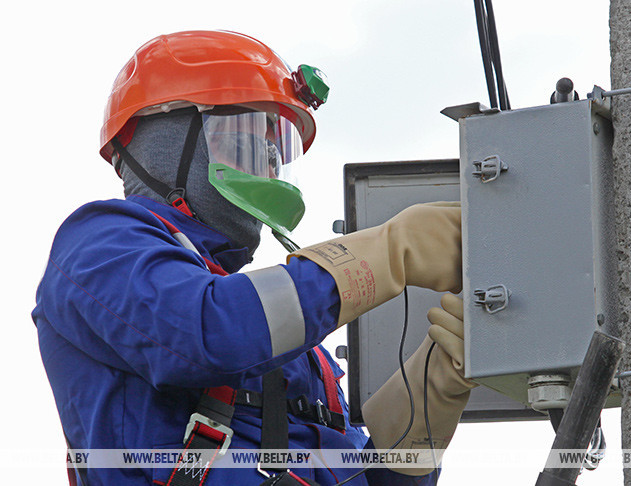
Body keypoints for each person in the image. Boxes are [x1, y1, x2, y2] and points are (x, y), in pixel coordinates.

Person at [33, 30, 476, 486]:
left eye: (275, 146)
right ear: (171, 143)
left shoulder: (297, 348)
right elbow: (209, 333)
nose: (267, 161)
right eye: (246, 139)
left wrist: (432, 390)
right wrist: (386, 254)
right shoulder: (100, 242)